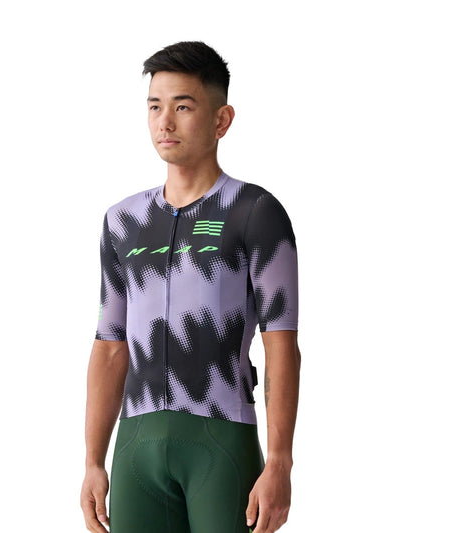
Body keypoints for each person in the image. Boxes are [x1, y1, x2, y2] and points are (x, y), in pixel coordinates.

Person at [80, 41, 301, 533]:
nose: (165, 122)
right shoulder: (123, 221)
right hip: (135, 448)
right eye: (154, 107)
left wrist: (280, 462)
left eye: (182, 107)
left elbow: (281, 343)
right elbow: (109, 345)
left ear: (221, 120)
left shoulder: (254, 213)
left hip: (220, 444)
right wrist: (93, 460)